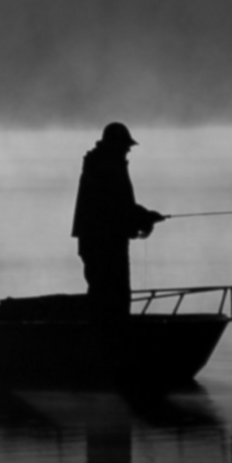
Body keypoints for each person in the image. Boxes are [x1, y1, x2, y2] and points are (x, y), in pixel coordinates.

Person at [71, 122, 164, 331]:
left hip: (97, 242)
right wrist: (145, 217)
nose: (128, 149)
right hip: (106, 244)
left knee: (104, 295)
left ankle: (104, 337)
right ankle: (109, 342)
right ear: (115, 145)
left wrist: (143, 217)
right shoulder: (108, 167)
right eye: (125, 145)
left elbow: (118, 207)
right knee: (113, 297)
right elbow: (117, 207)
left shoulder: (101, 163)